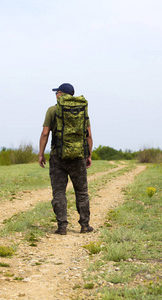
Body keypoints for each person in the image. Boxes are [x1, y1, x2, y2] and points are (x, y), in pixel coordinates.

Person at [39, 83, 94, 235]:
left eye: (57, 92)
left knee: (59, 192)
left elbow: (45, 133)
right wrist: (88, 155)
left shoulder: (52, 110)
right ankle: (84, 225)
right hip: (78, 157)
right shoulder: (81, 110)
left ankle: (62, 226)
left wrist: (41, 153)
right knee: (82, 192)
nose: (56, 95)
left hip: (58, 156)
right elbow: (88, 134)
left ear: (61, 94)